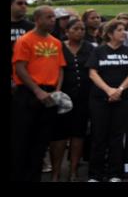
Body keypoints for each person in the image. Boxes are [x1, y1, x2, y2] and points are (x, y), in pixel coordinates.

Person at [11, 6, 66, 181]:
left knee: (41, 143)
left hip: (49, 94)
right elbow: (20, 68)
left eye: (54, 17)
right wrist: (37, 91)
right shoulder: (25, 40)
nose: (53, 20)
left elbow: (60, 69)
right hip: (28, 93)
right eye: (48, 17)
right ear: (37, 19)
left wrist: (57, 91)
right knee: (22, 141)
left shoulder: (56, 42)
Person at [85, 19, 128, 182]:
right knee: (99, 136)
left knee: (117, 136)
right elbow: (92, 73)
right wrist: (108, 90)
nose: (124, 33)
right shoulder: (98, 51)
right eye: (120, 30)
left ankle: (115, 173)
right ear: (109, 34)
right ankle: (95, 174)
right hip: (100, 100)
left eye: (124, 30)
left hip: (123, 100)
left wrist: (119, 90)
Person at [49, 17, 94, 182]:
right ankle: (55, 172)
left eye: (82, 29)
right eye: (75, 29)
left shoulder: (90, 47)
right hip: (63, 97)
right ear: (67, 31)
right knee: (59, 136)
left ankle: (73, 171)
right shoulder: (58, 46)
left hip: (84, 97)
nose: (80, 32)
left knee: (78, 134)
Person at [11, 0, 35, 82]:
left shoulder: (33, 27)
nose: (24, 6)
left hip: (27, 77)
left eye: (26, 4)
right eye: (20, 3)